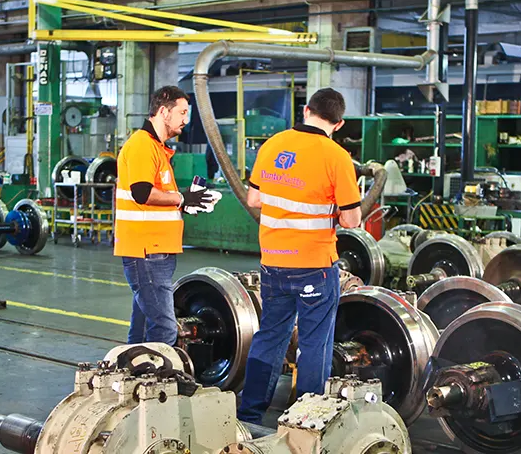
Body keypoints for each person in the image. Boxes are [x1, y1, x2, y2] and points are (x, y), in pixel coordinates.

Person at [237, 88, 362, 423]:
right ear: (339, 123)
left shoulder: (272, 145)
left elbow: (253, 200)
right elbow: (352, 220)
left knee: (270, 336)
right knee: (313, 344)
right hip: (314, 266)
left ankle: (249, 414)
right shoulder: (336, 157)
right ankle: (305, 420)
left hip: (274, 261)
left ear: (306, 110)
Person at [115, 86, 215, 346]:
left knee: (144, 328)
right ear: (163, 111)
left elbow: (157, 198)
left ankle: (131, 373)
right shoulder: (141, 145)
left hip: (156, 252)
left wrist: (185, 203)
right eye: (181, 112)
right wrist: (182, 198)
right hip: (146, 252)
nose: (185, 119)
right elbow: (141, 193)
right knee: (164, 330)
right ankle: (160, 384)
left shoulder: (158, 149)